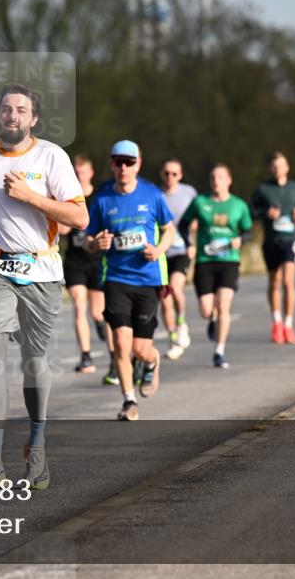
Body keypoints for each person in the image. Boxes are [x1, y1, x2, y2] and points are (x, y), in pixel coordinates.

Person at [0, 83, 87, 489]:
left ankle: (37, 444)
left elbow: (79, 218)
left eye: (21, 110)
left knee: (34, 361)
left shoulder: (52, 156)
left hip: (42, 272)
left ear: (33, 119)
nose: (12, 116)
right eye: (6, 109)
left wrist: (31, 197)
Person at [86, 140, 175, 421]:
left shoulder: (152, 195)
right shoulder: (102, 199)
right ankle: (129, 400)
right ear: (112, 164)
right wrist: (95, 243)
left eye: (129, 162)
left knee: (140, 348)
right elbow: (87, 238)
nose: (123, 168)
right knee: (121, 343)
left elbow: (169, 229)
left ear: (138, 164)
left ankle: (152, 361)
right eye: (118, 162)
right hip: (115, 278)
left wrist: (159, 250)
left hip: (148, 279)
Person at [178, 164, 253, 369]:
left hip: (229, 260)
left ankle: (219, 351)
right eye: (212, 177)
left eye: (220, 177)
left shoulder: (238, 205)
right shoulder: (200, 202)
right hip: (205, 261)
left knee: (223, 306)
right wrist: (189, 243)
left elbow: (248, 231)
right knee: (206, 309)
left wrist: (240, 239)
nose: (215, 181)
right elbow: (183, 224)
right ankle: (211, 320)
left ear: (229, 180)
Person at [59, 155, 110, 375]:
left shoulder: (99, 198)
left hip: (97, 261)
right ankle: (86, 356)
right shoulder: (68, 197)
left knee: (98, 312)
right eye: (76, 172)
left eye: (82, 172)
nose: (79, 176)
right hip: (75, 262)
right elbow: (62, 230)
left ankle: (114, 354)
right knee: (80, 306)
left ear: (91, 173)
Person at [251, 152, 295, 345]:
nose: (277, 169)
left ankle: (289, 324)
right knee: (274, 281)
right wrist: (266, 213)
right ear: (270, 169)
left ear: (287, 167)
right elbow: (252, 211)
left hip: (290, 239)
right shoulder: (263, 189)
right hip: (271, 240)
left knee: (289, 282)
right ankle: (277, 323)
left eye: (281, 166)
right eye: (274, 166)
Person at [158, 158, 197, 359]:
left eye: (174, 174)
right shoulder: (156, 195)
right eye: (166, 173)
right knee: (165, 299)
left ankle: (182, 323)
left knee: (175, 288)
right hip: (162, 253)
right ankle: (173, 337)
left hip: (182, 250)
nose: (170, 177)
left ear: (180, 175)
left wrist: (194, 242)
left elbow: (199, 215)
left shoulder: (189, 193)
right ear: (161, 175)